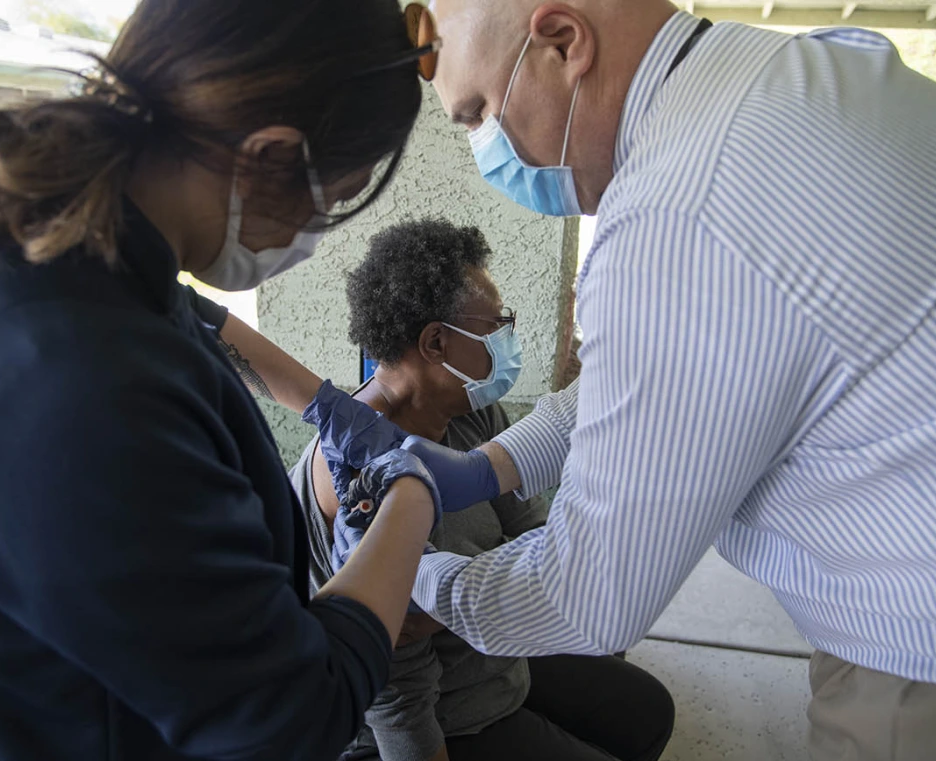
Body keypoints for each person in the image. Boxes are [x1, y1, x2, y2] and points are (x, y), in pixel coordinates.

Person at [327, 1, 936, 759]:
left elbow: (590, 595)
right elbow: (640, 384)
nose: (489, 150)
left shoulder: (675, 210)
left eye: (481, 115)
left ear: (563, 43)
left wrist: (419, 579)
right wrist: (485, 468)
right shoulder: (794, 76)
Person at [0, 2, 452, 760]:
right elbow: (295, 711)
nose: (316, 232)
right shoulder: (80, 395)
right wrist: (412, 495)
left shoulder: (41, 238)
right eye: (336, 195)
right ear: (268, 154)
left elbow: (192, 316)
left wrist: (324, 402)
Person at [280, 219, 671, 761]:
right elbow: (396, 686)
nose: (508, 339)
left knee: (647, 712)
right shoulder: (355, 472)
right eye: (497, 324)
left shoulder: (470, 410)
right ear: (436, 341)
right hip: (437, 715)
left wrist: (448, 600)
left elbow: (536, 530)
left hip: (493, 653)